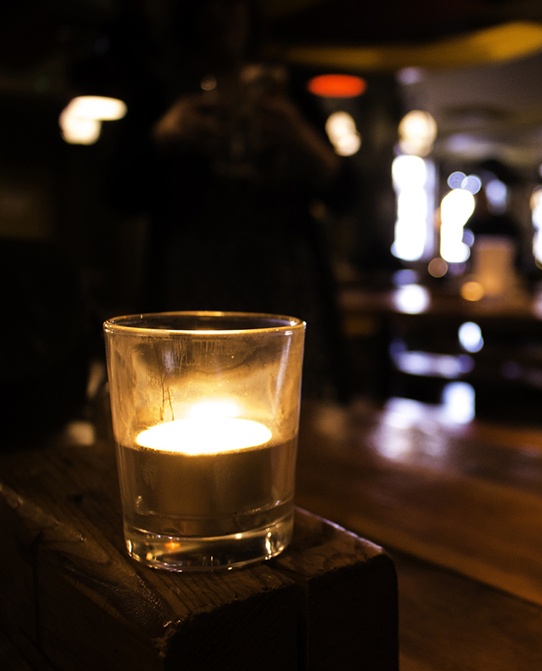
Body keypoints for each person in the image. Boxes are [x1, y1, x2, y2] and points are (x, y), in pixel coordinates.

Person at [107, 0, 356, 401]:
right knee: (189, 403)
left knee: (294, 406)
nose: (222, 19)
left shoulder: (286, 91)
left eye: (233, 8)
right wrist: (162, 136)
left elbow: (347, 195)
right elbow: (119, 195)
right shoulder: (163, 93)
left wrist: (300, 137)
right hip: (190, 293)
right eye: (211, 8)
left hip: (284, 289)